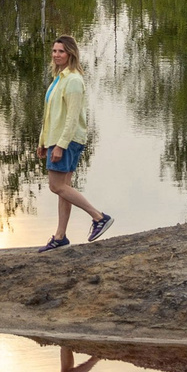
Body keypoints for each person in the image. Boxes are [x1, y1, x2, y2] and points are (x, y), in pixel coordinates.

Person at [38, 34, 113, 250]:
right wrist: (43, 141)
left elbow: (71, 118)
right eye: (54, 51)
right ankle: (60, 236)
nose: (57, 55)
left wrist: (60, 145)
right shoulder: (58, 79)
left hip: (67, 140)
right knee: (64, 187)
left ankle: (99, 217)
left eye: (61, 51)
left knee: (56, 186)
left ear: (70, 53)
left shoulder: (73, 81)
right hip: (58, 139)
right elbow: (51, 114)